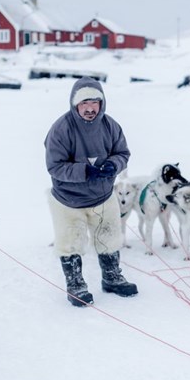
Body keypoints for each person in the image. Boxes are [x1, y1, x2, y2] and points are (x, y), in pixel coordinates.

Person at [44, 77, 138, 307]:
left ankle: (112, 277)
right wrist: (85, 171)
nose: (89, 108)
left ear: (101, 103)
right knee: (71, 242)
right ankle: (75, 284)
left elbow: (123, 153)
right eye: (84, 103)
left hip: (103, 197)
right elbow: (55, 167)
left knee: (109, 237)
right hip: (69, 201)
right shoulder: (61, 129)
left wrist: (114, 165)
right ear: (75, 104)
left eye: (94, 102)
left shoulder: (110, 125)